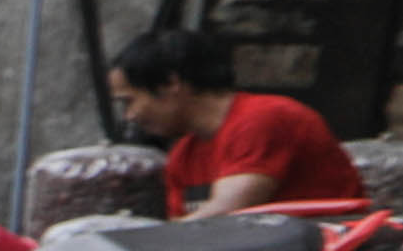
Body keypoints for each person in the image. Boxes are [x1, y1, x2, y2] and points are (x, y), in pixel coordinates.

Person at [110, 22, 365, 223]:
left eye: (129, 101)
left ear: (170, 84)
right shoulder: (183, 157)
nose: (129, 116)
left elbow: (228, 216)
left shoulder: (265, 117)